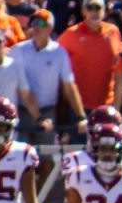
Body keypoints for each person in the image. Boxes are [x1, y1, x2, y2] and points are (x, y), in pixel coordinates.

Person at [9, 9, 86, 145]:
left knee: (46, 158)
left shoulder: (59, 53)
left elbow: (69, 86)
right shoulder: (17, 50)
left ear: (51, 28)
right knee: (20, 155)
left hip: (47, 112)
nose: (37, 27)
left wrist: (80, 117)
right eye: (34, 22)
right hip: (20, 111)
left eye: (42, 23)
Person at [58, 0, 122, 115]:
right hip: (78, 108)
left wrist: (117, 105)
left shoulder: (113, 31)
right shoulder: (71, 34)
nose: (94, 12)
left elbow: (120, 63)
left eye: (98, 7)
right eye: (90, 8)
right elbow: (55, 56)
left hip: (108, 105)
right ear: (83, 11)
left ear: (104, 11)